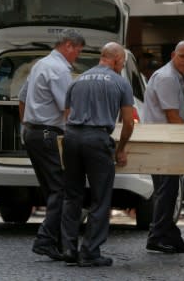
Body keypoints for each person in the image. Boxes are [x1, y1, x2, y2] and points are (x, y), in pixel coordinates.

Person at [61, 42, 135, 267]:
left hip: (72, 139)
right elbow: (129, 123)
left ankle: (68, 248)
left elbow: (66, 115)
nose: (122, 66)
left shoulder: (77, 80)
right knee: (100, 198)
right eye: (122, 62)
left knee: (72, 196)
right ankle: (90, 252)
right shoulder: (121, 82)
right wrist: (120, 149)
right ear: (115, 59)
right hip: (97, 140)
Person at [18, 28, 86, 261]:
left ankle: (55, 240)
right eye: (78, 49)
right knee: (62, 189)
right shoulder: (59, 70)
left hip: (33, 133)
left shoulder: (40, 64)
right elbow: (66, 108)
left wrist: (26, 125)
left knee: (51, 190)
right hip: (48, 133)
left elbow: (22, 97)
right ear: (68, 45)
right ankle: (45, 239)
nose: (78, 54)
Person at [142, 40, 184, 254]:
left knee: (168, 190)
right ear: (173, 54)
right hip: (163, 140)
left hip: (167, 139)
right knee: (166, 191)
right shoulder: (167, 77)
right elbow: (172, 116)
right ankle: (156, 237)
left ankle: (170, 235)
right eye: (182, 56)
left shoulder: (177, 76)